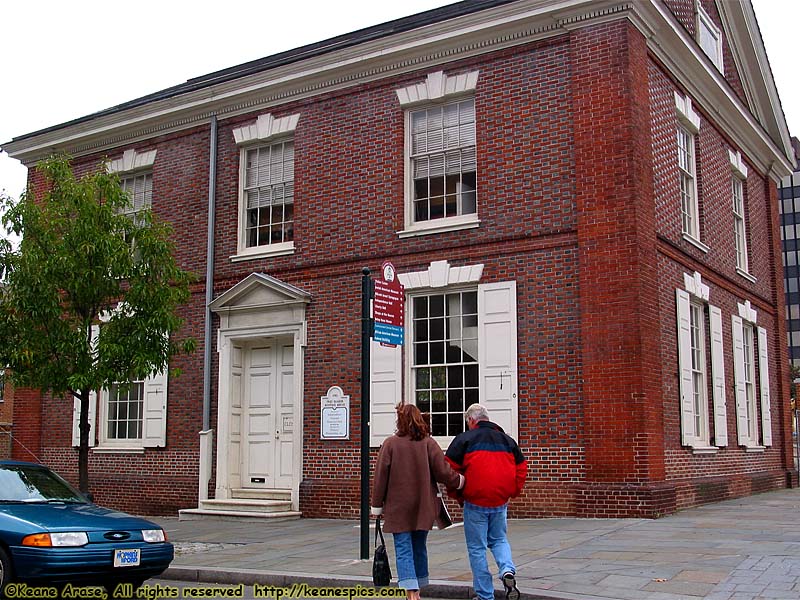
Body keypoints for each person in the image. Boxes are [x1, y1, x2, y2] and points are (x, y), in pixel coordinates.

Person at [371, 403, 465, 600]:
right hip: (424, 505)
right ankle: (419, 585)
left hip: (398, 507)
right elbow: (443, 471)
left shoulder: (390, 444)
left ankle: (411, 591)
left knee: (403, 548)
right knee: (419, 547)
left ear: (400, 421)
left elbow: (380, 477)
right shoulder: (428, 443)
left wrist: (377, 506)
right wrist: (460, 481)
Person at [445, 403, 527, 600]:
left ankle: (485, 595)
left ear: (471, 421)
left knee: (477, 548)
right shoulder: (508, 441)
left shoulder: (464, 440)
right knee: (499, 540)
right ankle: (507, 570)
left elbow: (448, 471)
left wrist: (458, 495)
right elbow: (522, 468)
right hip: (500, 501)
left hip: (475, 502)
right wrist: (511, 492)